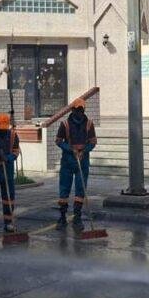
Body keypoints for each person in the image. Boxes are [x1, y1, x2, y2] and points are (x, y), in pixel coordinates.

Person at [55, 98, 98, 230]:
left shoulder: (89, 124)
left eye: (81, 110)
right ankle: (62, 217)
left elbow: (93, 142)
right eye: (76, 110)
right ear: (72, 110)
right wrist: (70, 149)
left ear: (83, 110)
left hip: (82, 161)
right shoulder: (65, 124)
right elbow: (58, 141)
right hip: (68, 161)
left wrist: (84, 151)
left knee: (80, 189)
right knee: (64, 188)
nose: (79, 112)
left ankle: (77, 218)